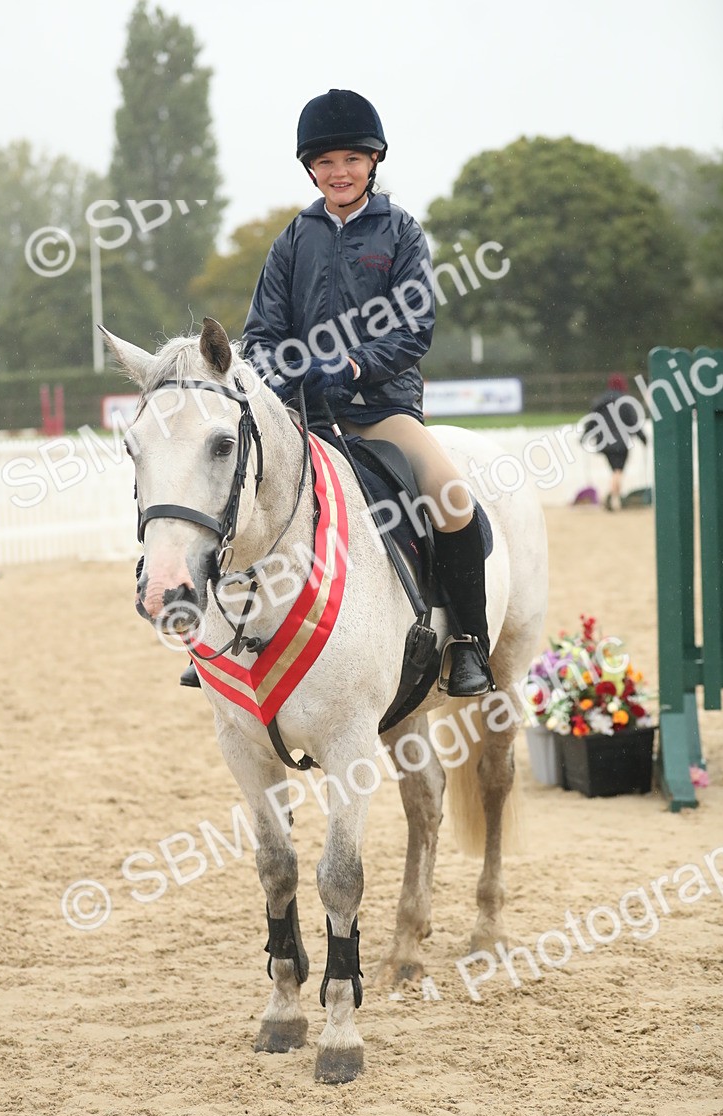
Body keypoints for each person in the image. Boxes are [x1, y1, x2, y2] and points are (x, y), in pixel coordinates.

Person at [183, 89, 492, 696]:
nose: (339, 172)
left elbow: (414, 329)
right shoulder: (293, 239)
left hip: (380, 411)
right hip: (304, 416)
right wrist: (286, 371)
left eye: (351, 159)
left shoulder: (401, 233)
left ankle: (468, 643)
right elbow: (262, 332)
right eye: (326, 163)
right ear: (311, 169)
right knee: (232, 499)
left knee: (451, 500)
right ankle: (213, 640)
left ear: (373, 161)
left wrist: (354, 367)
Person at [581, 373, 648, 511]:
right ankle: (611, 496)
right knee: (618, 471)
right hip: (620, 443)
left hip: (604, 443)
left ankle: (614, 499)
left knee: (614, 471)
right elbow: (632, 422)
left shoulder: (600, 402)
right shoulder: (625, 402)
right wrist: (642, 438)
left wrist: (585, 436)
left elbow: (592, 421)